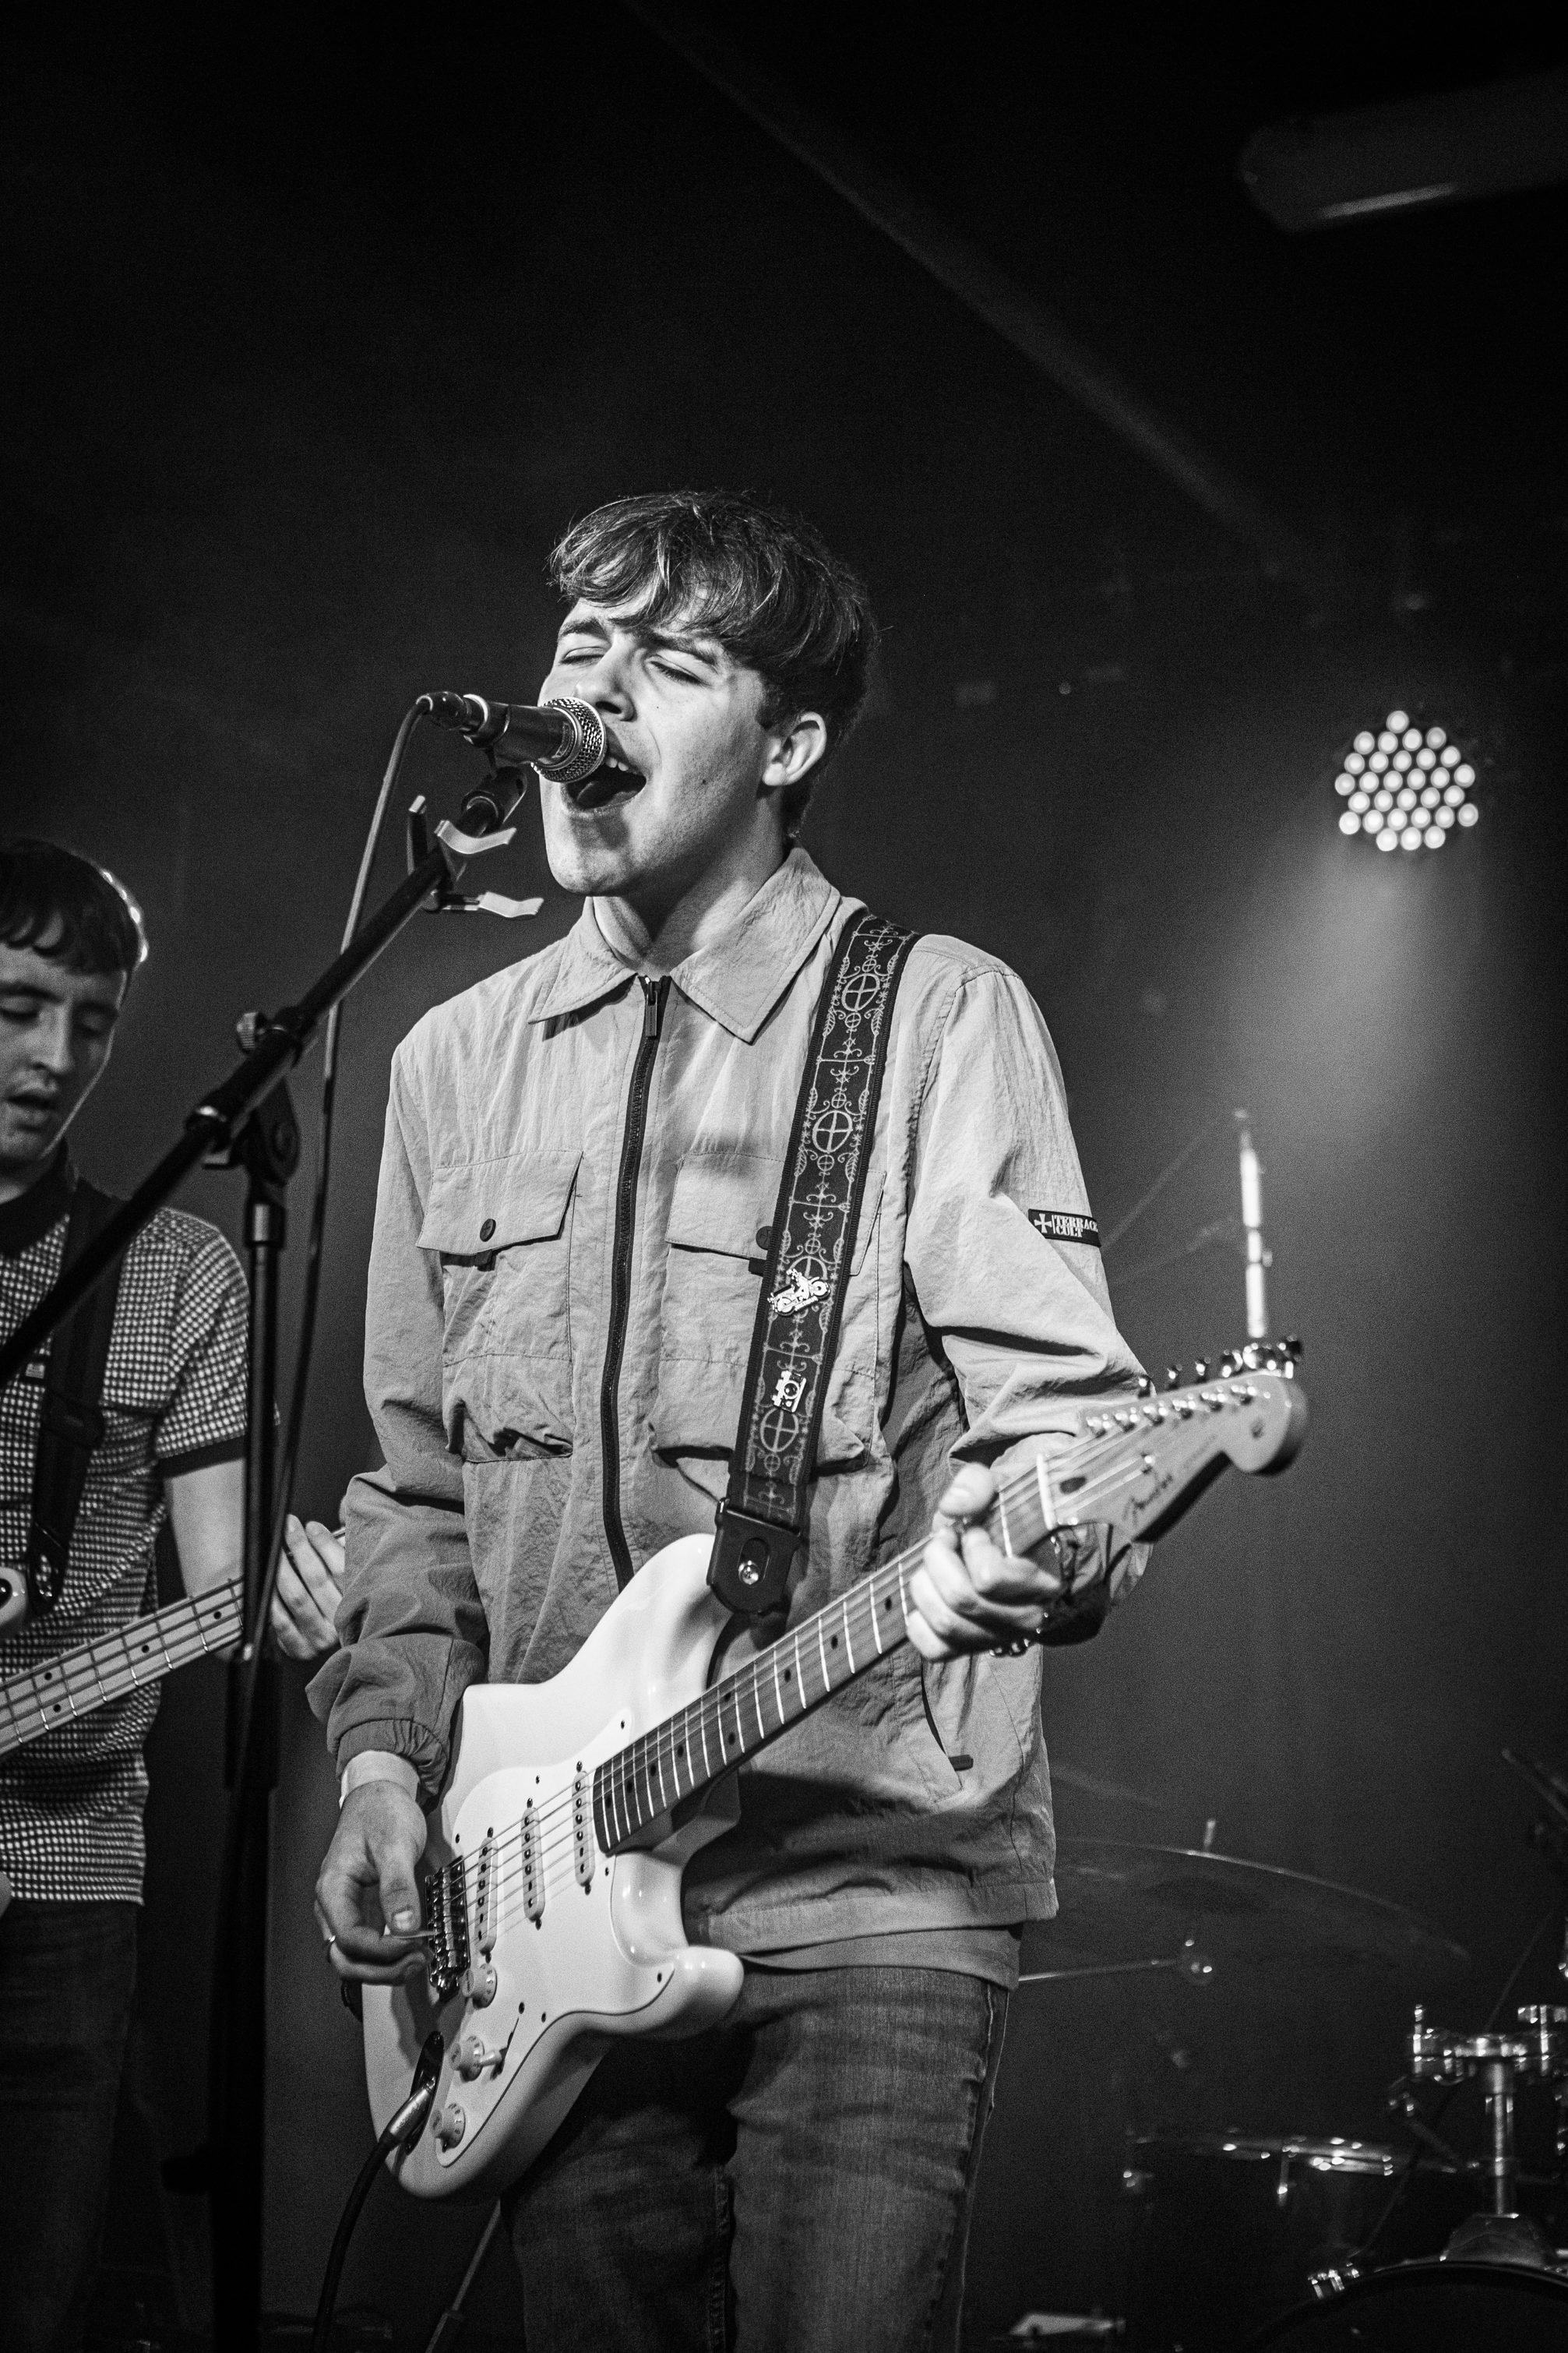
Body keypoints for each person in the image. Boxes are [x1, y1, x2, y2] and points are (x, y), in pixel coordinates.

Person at [311, 491, 1148, 2353]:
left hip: (866, 1885)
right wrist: (383, 1766)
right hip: (545, 1904)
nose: (590, 696)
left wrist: (1054, 1527)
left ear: (787, 744)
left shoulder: (933, 1019)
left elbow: (1064, 1430)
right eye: (573, 653)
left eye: (666, 662)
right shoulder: (454, 1062)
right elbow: (415, 1492)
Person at [0, 838, 344, 2353]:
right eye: (17, 1005)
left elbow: (223, 1589)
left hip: (72, 1872)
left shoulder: (177, 1272)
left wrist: (299, 1591)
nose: (52, 1055)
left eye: (88, 1018)